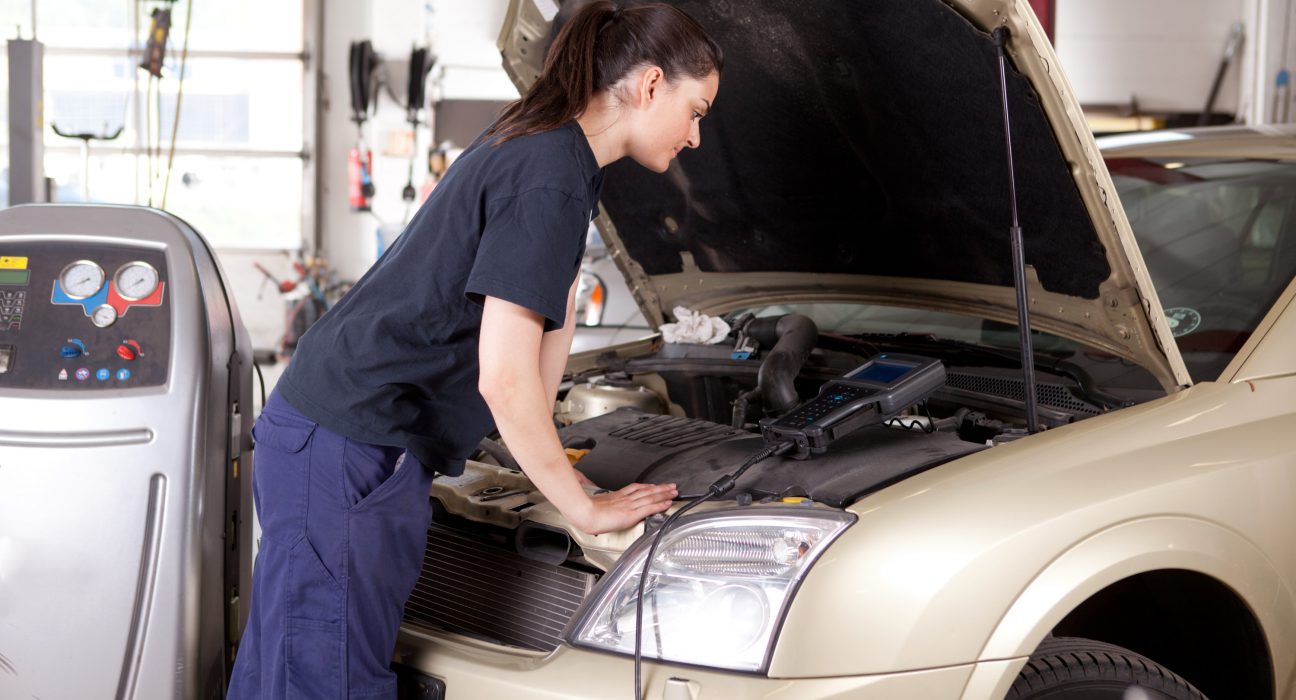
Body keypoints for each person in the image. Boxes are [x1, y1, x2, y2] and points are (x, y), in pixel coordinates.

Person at [227, 2, 723, 697]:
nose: (697, 136)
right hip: (348, 447)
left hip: (338, 436)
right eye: (695, 109)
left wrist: (564, 467)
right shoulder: (550, 174)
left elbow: (529, 367)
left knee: (288, 669)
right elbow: (505, 380)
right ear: (648, 86)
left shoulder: (553, 154)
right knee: (322, 682)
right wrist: (584, 510)